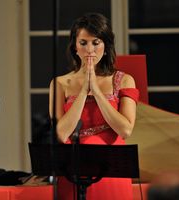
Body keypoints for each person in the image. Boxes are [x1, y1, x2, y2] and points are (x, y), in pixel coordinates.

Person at [49, 13, 139, 200]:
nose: (89, 49)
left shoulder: (124, 80)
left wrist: (97, 91)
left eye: (96, 43)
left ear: (105, 47)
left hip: (112, 167)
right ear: (75, 46)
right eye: (83, 43)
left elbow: (125, 130)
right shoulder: (59, 83)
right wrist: (83, 91)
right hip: (73, 167)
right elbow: (61, 133)